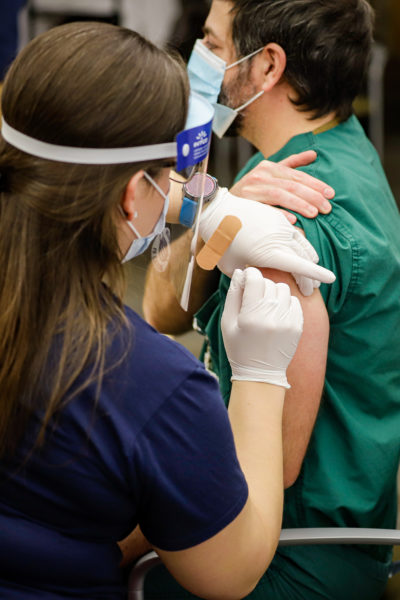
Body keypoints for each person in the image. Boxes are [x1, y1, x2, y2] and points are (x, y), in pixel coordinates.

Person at [0, 19, 339, 600]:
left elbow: (68, 172)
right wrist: (259, 374)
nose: (177, 185)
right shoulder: (146, 382)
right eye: (170, 175)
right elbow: (230, 572)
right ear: (133, 193)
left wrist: (210, 204)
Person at [143, 1, 400, 599]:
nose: (197, 59)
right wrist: (212, 206)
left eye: (211, 41)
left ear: (266, 67)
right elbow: (162, 308)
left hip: (284, 562)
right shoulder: (314, 154)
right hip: (305, 536)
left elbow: (257, 474)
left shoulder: (290, 215)